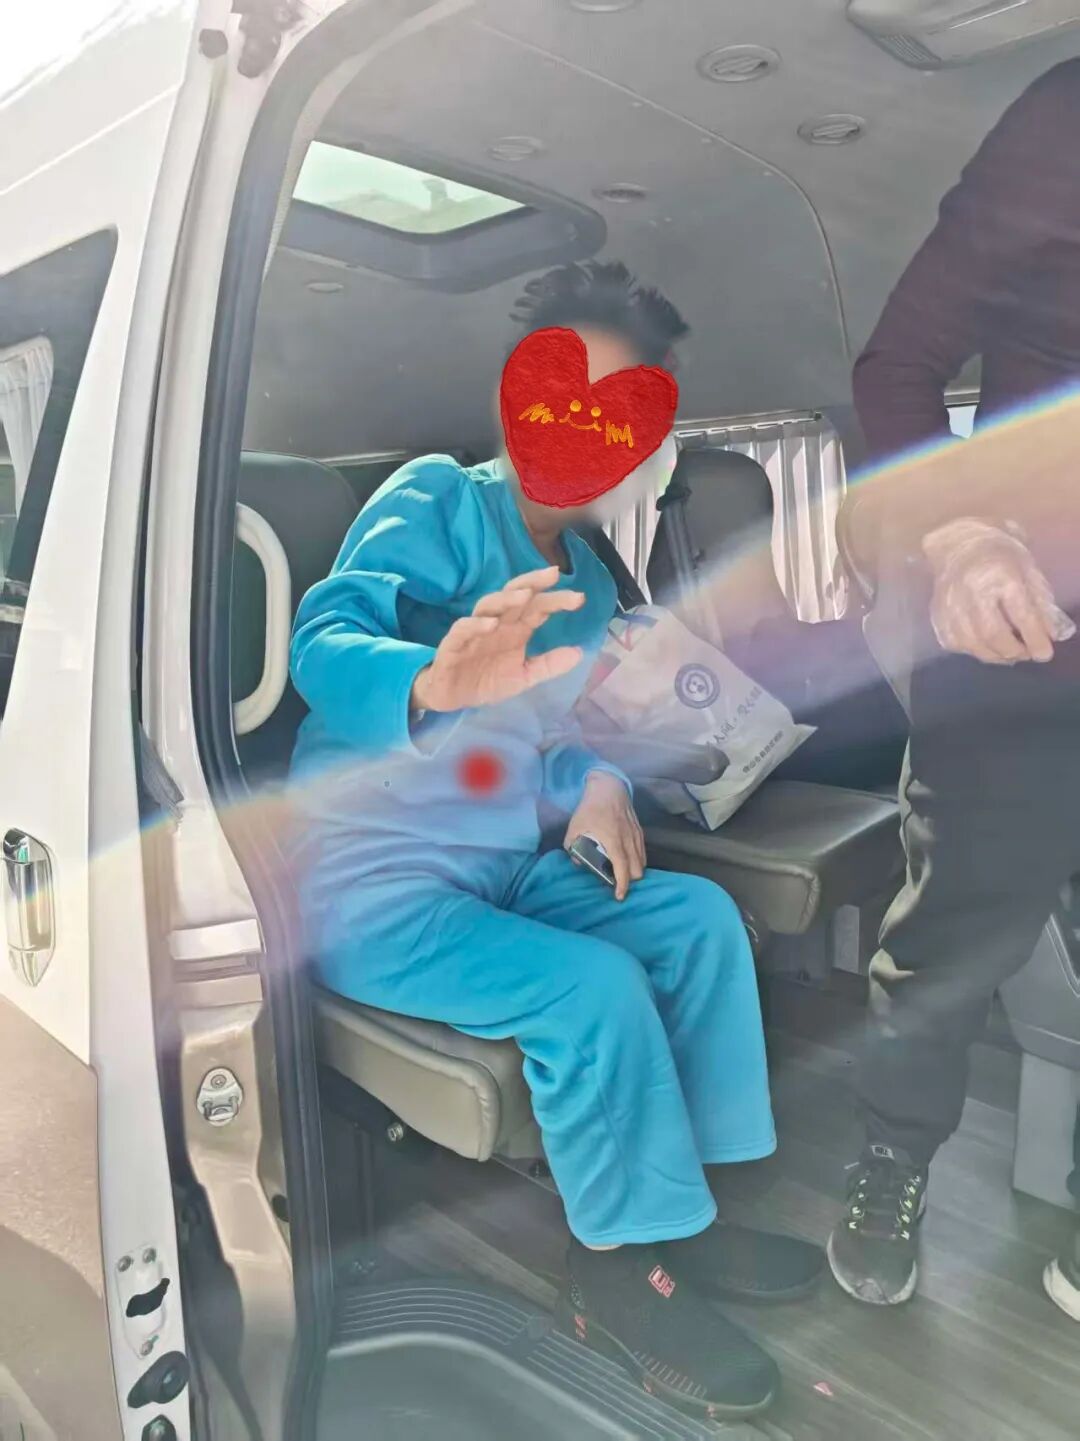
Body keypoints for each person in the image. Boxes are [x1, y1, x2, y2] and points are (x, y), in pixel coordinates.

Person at [289, 261, 823, 1418]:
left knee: (699, 922)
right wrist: (428, 679)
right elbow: (323, 637)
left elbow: (559, 737)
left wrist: (596, 786)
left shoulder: (584, 579)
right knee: (593, 988)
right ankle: (616, 1275)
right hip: (373, 882)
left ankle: (686, 1216)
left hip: (502, 865)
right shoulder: (438, 498)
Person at [827, 60, 1080, 1316]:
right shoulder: (1067, 119)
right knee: (947, 946)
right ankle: (892, 1161)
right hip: (1017, 641)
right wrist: (963, 535)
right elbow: (897, 365)